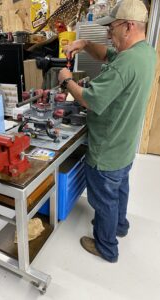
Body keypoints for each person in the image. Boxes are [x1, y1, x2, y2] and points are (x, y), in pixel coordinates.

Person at [58, 0, 156, 263]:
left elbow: (89, 100)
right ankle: (120, 226)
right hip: (124, 146)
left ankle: (106, 246)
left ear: (128, 26)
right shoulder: (144, 53)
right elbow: (107, 55)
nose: (108, 35)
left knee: (104, 201)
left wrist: (66, 79)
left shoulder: (125, 65)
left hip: (107, 149)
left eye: (111, 29)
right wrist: (85, 44)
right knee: (120, 188)